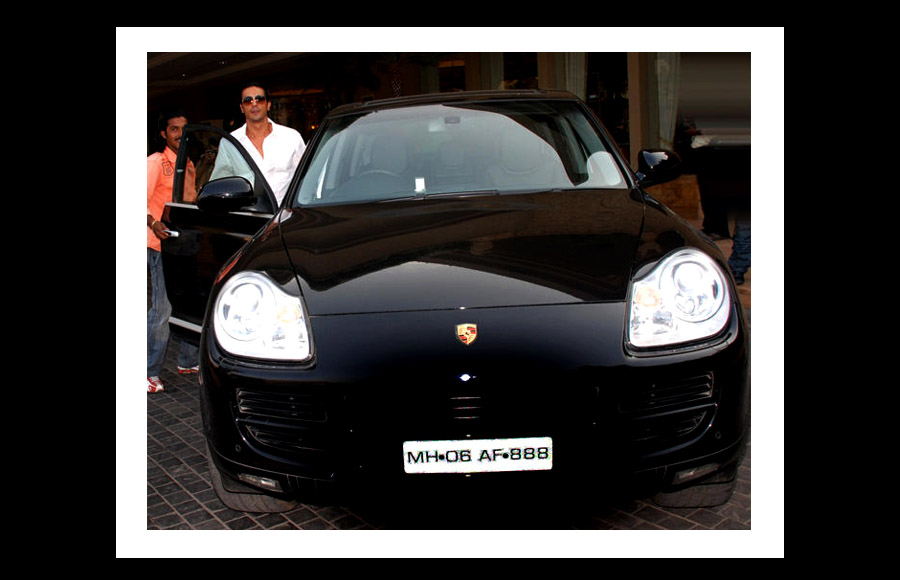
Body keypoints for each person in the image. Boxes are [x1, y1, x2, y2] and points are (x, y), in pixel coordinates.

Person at [147, 110, 199, 393]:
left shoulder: (188, 163)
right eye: (174, 129)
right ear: (164, 134)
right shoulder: (156, 162)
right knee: (162, 308)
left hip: (186, 244)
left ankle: (188, 361)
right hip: (160, 246)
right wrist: (153, 223)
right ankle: (147, 370)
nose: (180, 133)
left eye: (184, 128)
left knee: (187, 303)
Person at [212, 82, 305, 205]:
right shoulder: (230, 143)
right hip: (250, 218)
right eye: (248, 101)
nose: (254, 104)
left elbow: (306, 176)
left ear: (268, 105)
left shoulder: (291, 137)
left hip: (287, 216)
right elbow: (220, 184)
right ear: (242, 108)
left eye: (259, 99)